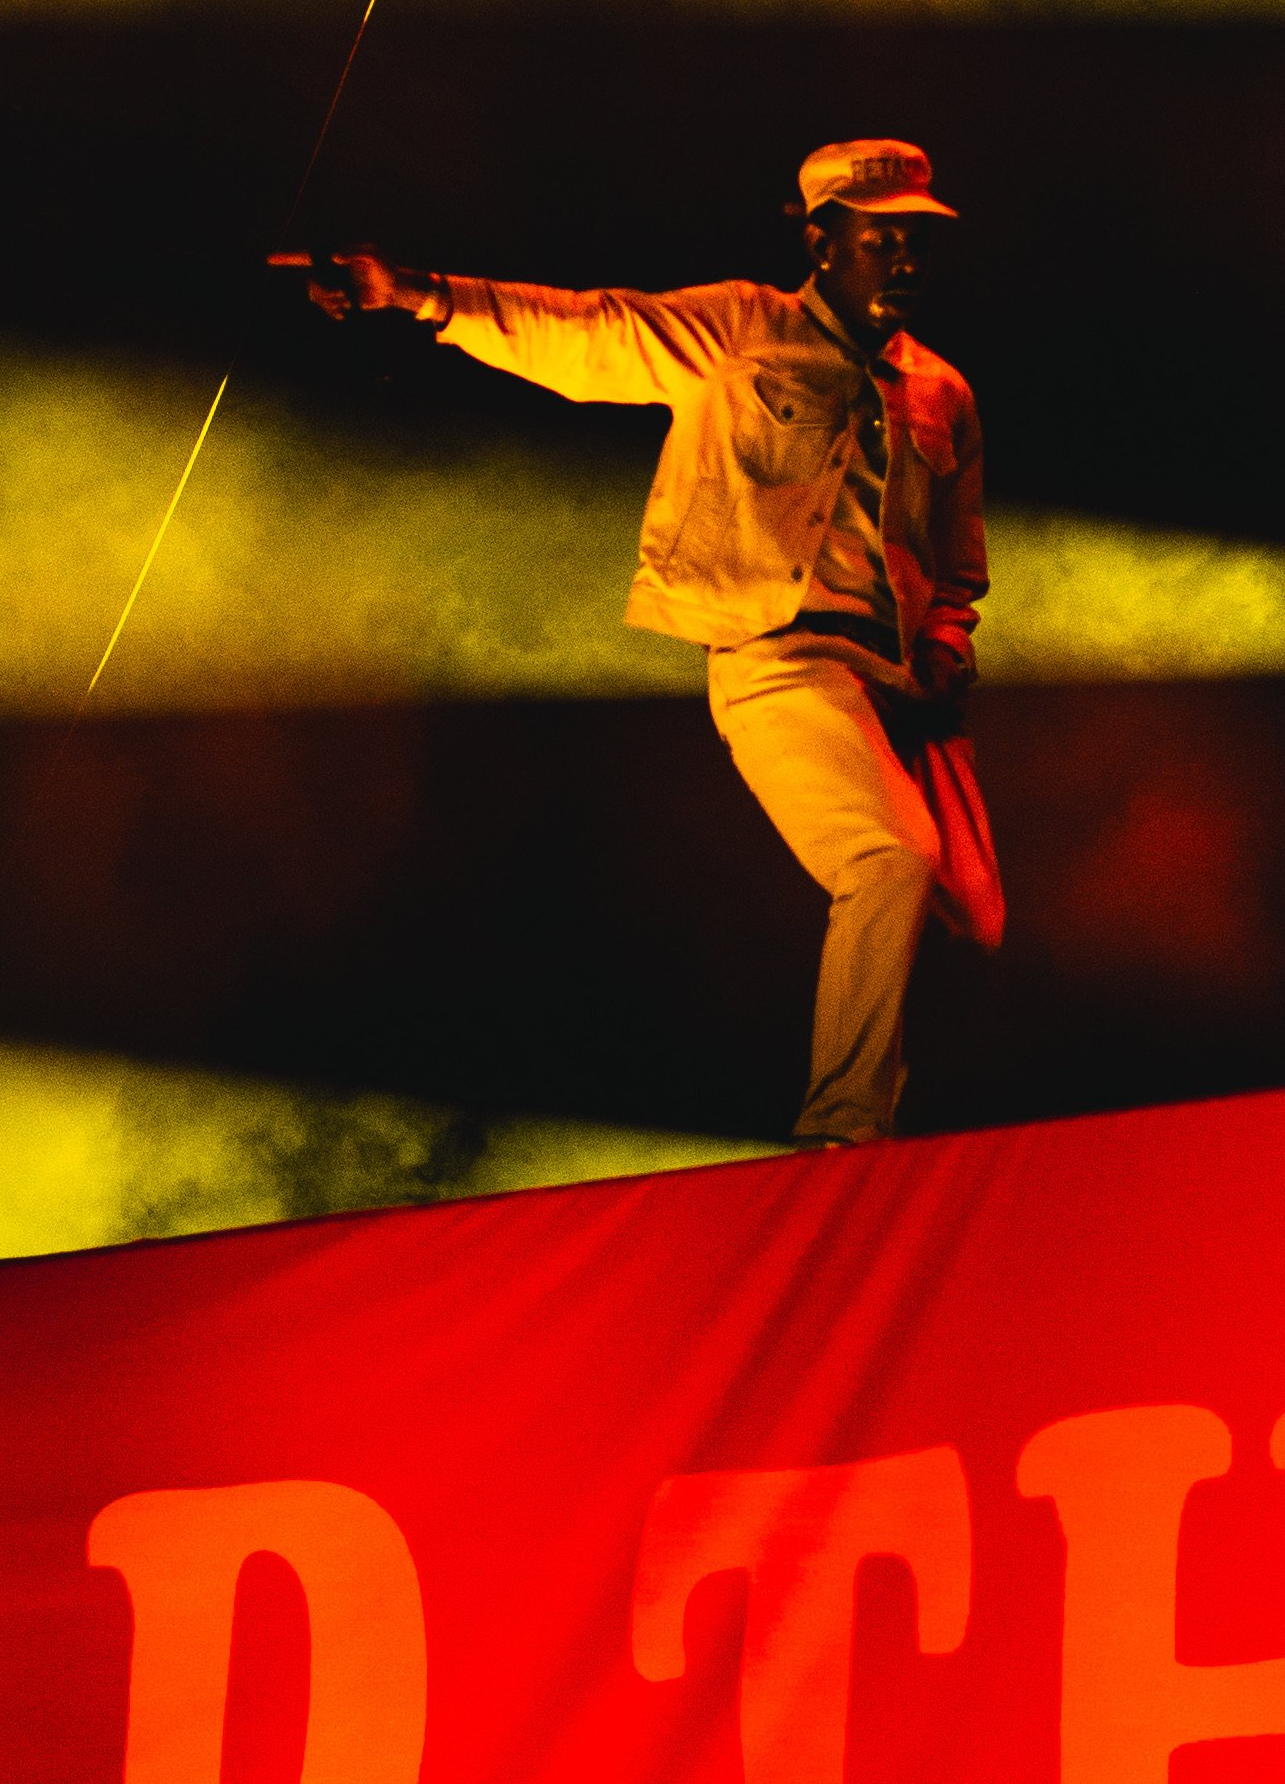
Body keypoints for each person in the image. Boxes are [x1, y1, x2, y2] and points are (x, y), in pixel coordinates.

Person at [297, 139, 1001, 1147]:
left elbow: (958, 560)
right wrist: (420, 294)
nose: (904, 258)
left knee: (973, 925)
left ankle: (941, 1136)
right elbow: (588, 335)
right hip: (780, 659)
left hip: (901, 690)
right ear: (822, 241)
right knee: (888, 859)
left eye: (918, 239)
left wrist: (945, 641)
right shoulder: (742, 329)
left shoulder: (943, 392)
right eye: (880, 237)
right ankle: (844, 1136)